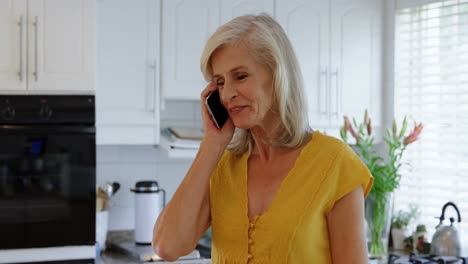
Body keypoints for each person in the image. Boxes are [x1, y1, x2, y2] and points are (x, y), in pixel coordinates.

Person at [153, 14, 373, 263]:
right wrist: (211, 144)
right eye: (220, 82)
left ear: (279, 76)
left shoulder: (335, 164)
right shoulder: (222, 166)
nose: (227, 94)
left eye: (241, 76)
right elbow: (166, 247)